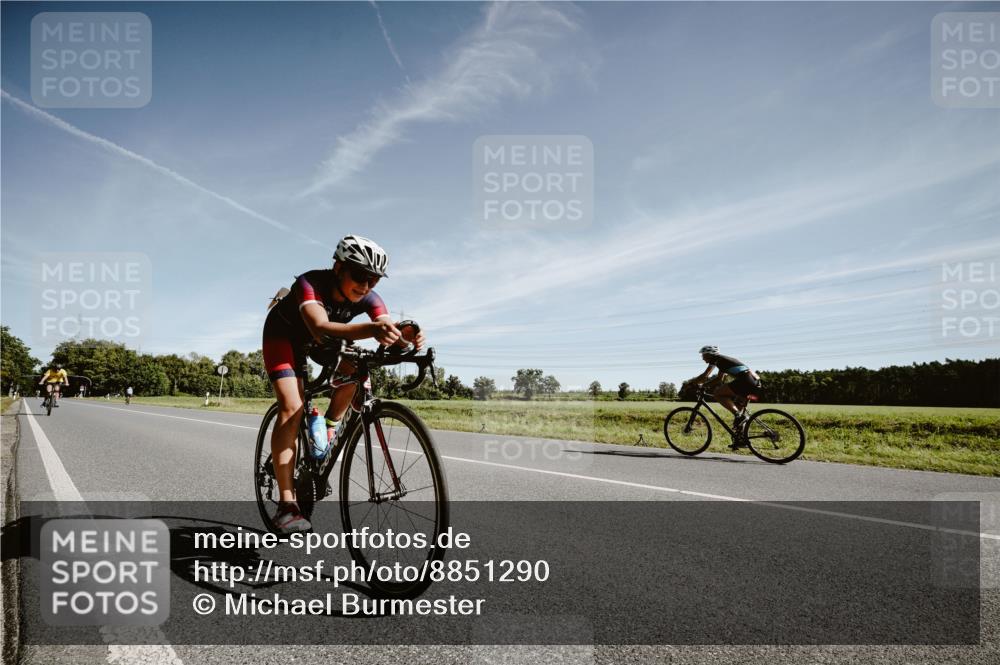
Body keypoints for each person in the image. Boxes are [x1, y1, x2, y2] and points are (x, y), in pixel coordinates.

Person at [262, 235, 424, 533]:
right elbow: (321, 328)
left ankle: (329, 425)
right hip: (286, 336)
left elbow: (386, 327)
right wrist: (373, 330)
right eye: (359, 276)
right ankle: (287, 506)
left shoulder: (369, 298)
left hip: (327, 340)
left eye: (373, 281)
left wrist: (406, 339)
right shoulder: (309, 283)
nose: (365, 286)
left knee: (357, 369)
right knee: (293, 406)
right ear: (338, 267)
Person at [689, 345, 761, 431]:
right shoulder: (722, 361)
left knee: (718, 394)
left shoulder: (718, 360)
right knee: (739, 416)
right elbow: (719, 379)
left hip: (746, 381)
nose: (702, 358)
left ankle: (738, 415)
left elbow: (705, 375)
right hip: (754, 382)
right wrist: (704, 385)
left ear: (710, 354)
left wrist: (691, 384)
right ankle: (741, 441)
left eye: (703, 355)